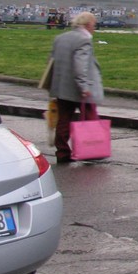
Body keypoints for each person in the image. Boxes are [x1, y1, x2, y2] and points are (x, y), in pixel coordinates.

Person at [48, 11, 104, 163]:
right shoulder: (84, 40)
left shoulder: (60, 38)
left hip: (61, 87)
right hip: (79, 89)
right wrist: (84, 86)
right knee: (90, 117)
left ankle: (62, 152)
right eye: (93, 25)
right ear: (87, 25)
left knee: (63, 120)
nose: (94, 28)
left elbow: (51, 62)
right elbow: (80, 66)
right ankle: (91, 150)